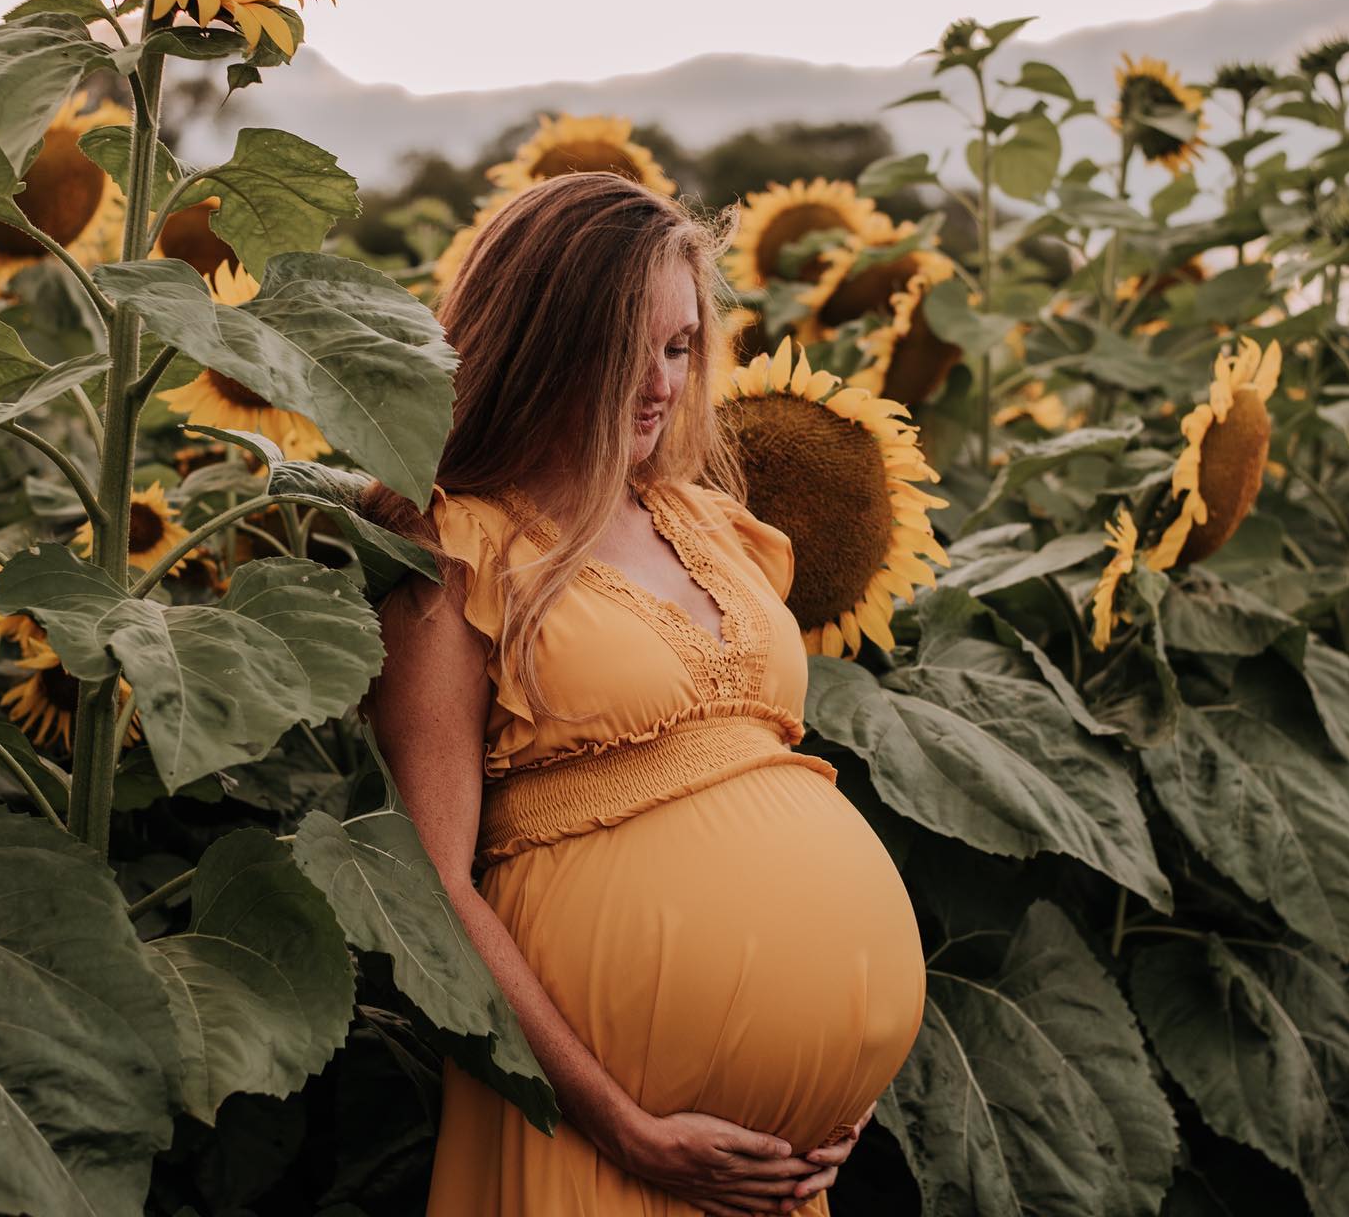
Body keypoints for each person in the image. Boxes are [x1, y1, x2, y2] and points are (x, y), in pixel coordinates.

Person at [360, 171, 926, 1215]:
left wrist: (826, 1081)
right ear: (540, 343)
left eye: (679, 348)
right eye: (626, 349)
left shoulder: (711, 527)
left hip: (778, 1169)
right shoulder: (456, 552)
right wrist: (627, 1125)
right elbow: (430, 888)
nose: (659, 385)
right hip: (606, 1137)